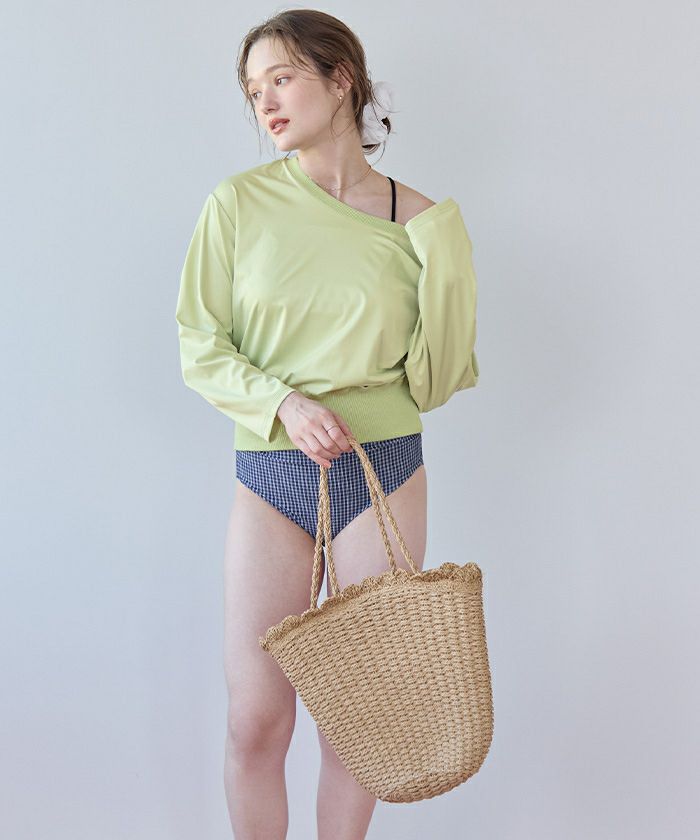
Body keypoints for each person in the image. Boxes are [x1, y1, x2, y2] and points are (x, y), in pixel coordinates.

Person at [174, 9, 479, 839]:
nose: (266, 103)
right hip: (271, 470)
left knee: (358, 725)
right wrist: (281, 402)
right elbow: (199, 341)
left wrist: (441, 253)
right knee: (255, 720)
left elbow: (437, 378)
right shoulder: (238, 204)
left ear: (341, 78)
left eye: (281, 79)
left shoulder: (420, 221)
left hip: (383, 468)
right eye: (254, 91)